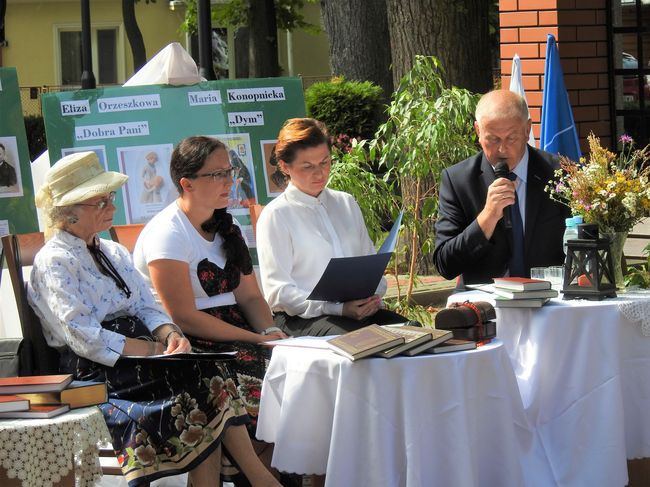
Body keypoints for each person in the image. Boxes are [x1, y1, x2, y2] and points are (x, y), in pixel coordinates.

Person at [27, 151, 281, 487]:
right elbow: (83, 335)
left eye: (110, 198)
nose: (111, 207)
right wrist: (151, 351)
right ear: (69, 214)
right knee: (205, 374)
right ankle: (259, 479)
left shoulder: (112, 251)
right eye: (100, 202)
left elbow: (147, 305)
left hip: (137, 355)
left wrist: (168, 334)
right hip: (96, 368)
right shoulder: (53, 261)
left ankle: (242, 481)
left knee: (208, 369)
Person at [133, 136, 287, 471]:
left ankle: (288, 471)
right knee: (260, 384)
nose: (228, 181)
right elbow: (183, 317)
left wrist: (271, 331)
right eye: (216, 175)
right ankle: (265, 472)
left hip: (239, 332)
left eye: (228, 172)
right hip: (196, 343)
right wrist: (257, 339)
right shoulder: (167, 233)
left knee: (297, 372)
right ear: (186, 183)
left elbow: (249, 295)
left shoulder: (225, 227)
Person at [256, 118, 405, 337]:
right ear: (285, 166)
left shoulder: (345, 202)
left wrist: (372, 295)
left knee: (414, 333)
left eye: (325, 163)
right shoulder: (276, 215)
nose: (320, 173)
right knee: (366, 341)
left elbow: (369, 262)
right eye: (307, 167)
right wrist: (336, 308)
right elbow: (279, 293)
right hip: (302, 318)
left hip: (354, 311)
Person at [433, 90, 570, 288]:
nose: (502, 149)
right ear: (478, 131)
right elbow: (445, 264)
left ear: (527, 130)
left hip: (549, 300)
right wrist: (487, 217)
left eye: (511, 138)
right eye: (493, 139)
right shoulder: (458, 180)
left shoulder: (560, 175)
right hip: (485, 306)